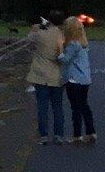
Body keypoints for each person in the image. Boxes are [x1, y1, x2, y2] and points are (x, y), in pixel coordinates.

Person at [26, 15, 65, 144]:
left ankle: (43, 135)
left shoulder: (40, 34)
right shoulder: (61, 35)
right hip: (56, 75)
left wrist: (35, 27)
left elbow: (29, 39)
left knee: (42, 106)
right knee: (57, 107)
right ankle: (58, 135)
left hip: (40, 75)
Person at [59, 16, 96, 145]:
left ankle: (77, 135)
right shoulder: (84, 45)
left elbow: (64, 59)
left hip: (74, 80)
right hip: (85, 79)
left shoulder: (73, 44)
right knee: (84, 106)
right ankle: (91, 132)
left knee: (76, 108)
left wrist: (58, 52)